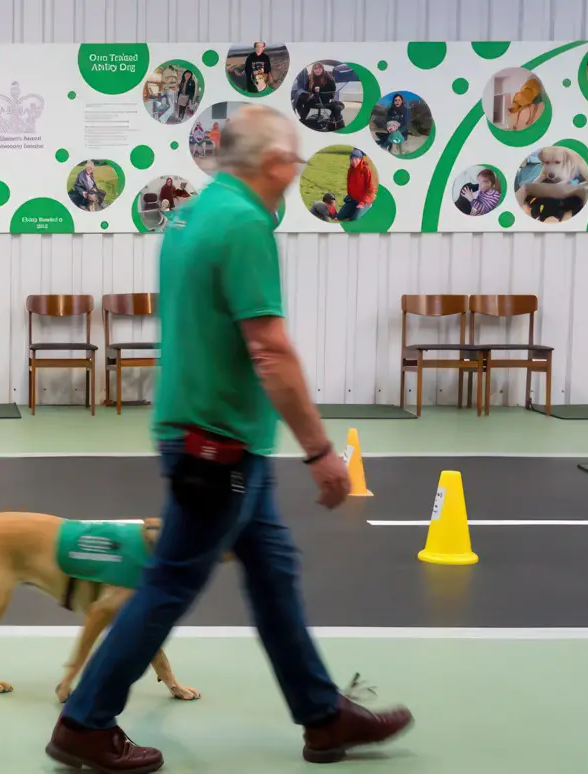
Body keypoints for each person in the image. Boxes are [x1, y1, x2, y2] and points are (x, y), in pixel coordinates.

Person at [44, 104, 413, 772]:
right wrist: (321, 451)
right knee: (169, 584)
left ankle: (324, 718)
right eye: (294, 160)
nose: (295, 172)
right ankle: (84, 723)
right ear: (273, 163)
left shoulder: (190, 213)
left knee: (273, 572)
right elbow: (269, 348)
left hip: (219, 434)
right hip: (217, 445)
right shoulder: (244, 223)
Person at [337, 149, 376, 221]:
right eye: (351, 159)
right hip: (353, 200)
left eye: (355, 159)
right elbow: (349, 184)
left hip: (364, 201)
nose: (353, 161)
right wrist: (350, 195)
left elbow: (371, 190)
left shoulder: (366, 170)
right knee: (340, 217)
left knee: (354, 220)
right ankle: (354, 211)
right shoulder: (350, 170)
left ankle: (368, 208)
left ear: (360, 159)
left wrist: (362, 203)